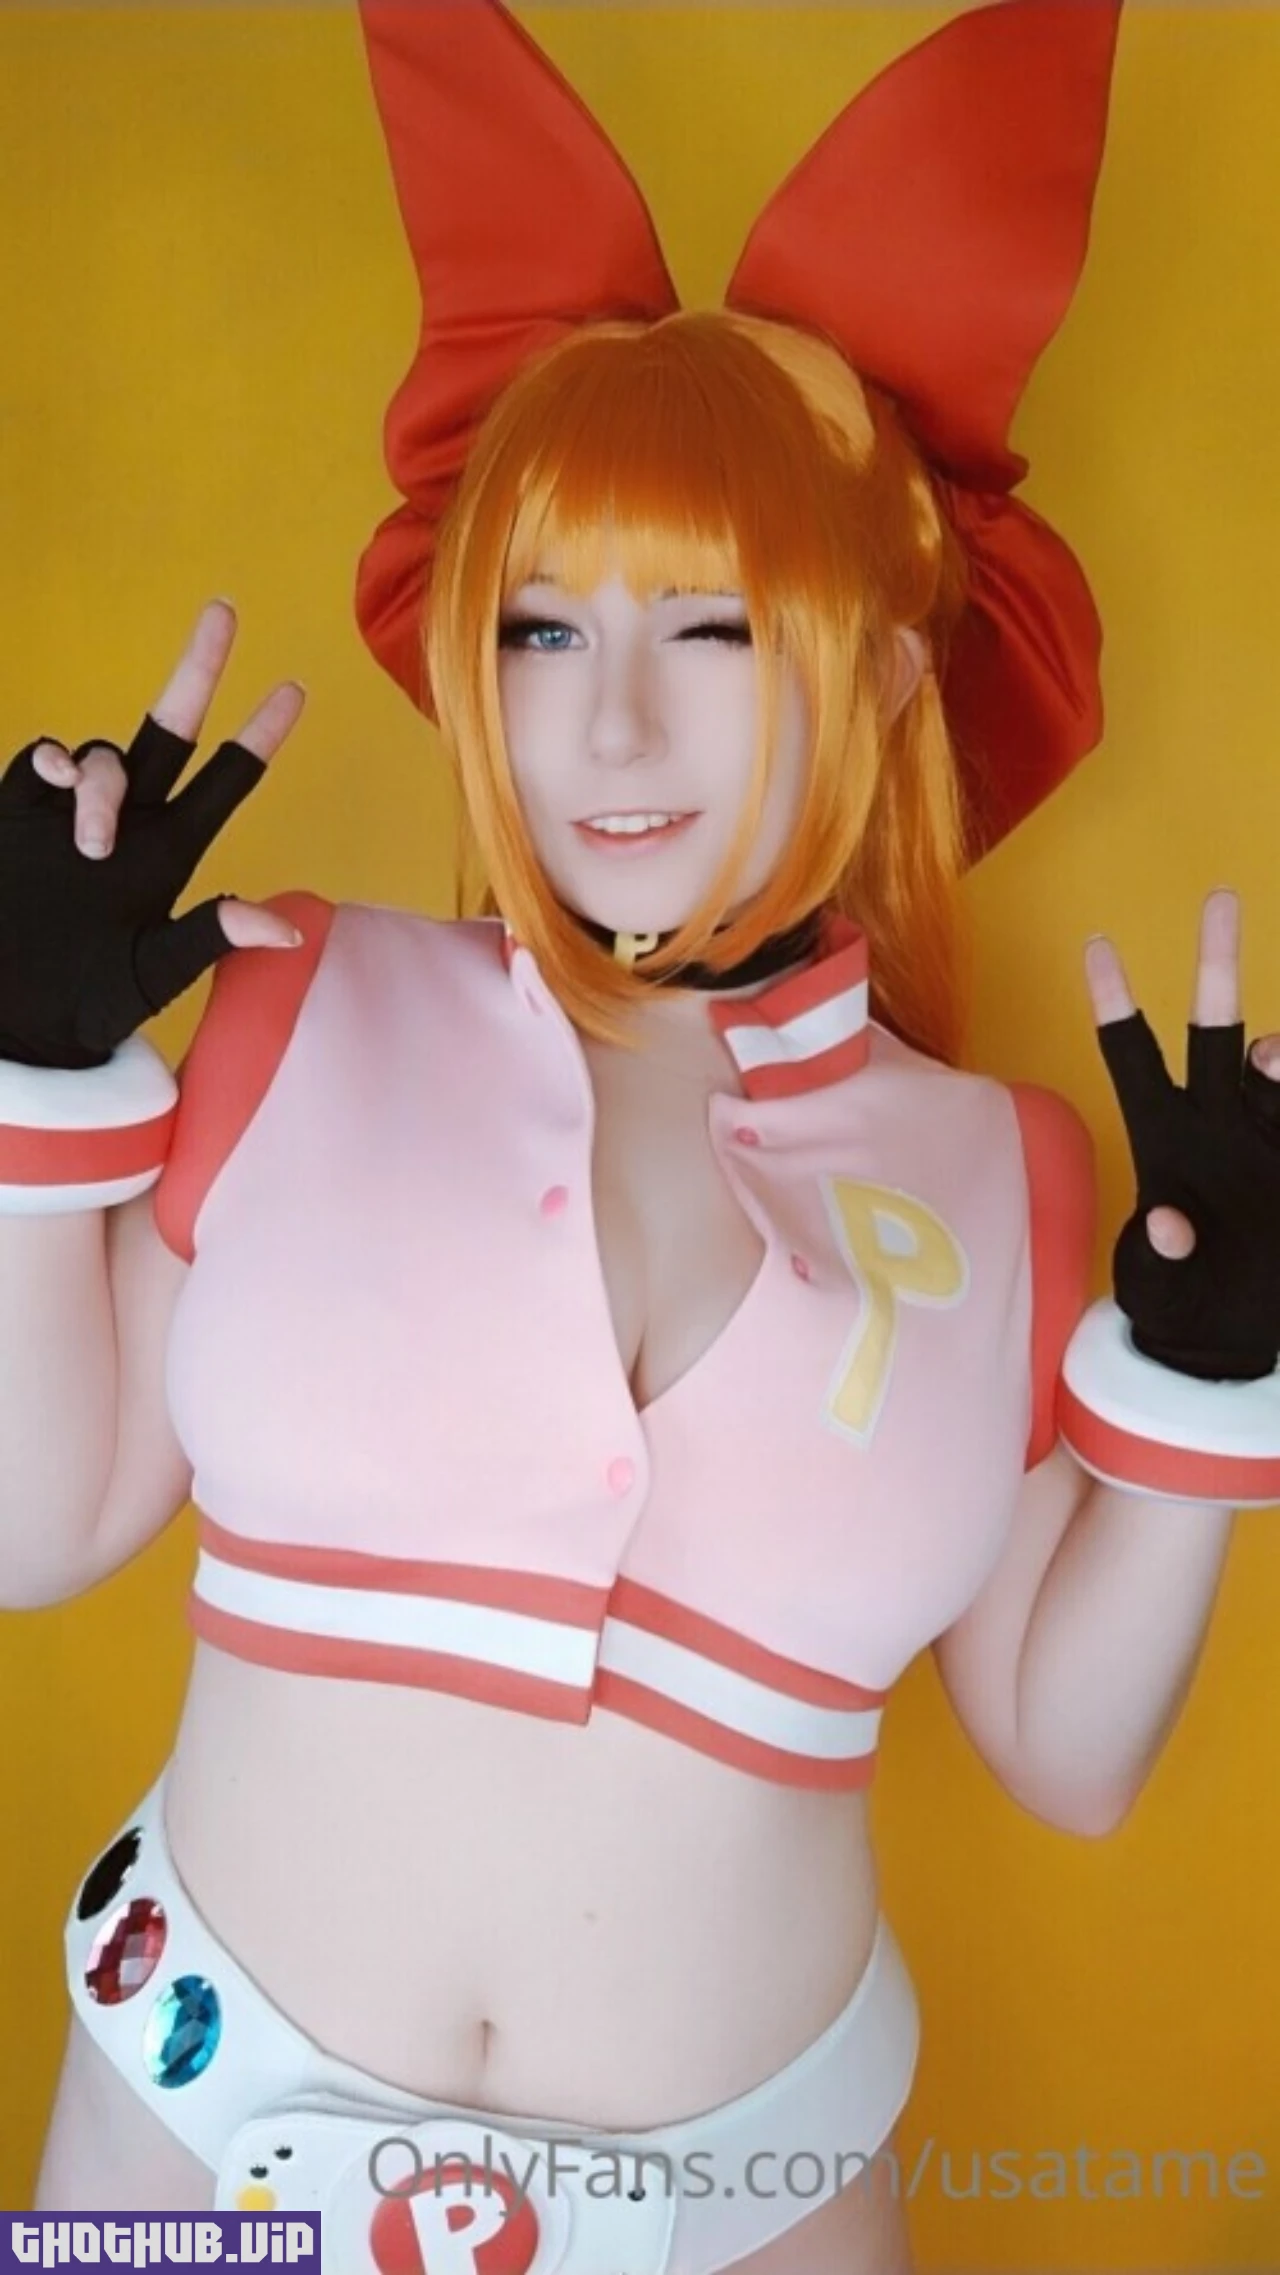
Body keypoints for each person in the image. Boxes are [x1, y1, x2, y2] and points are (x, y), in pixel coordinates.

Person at [3, 3, 1279, 2270]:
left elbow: (1069, 1758)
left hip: (760, 2204)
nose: (606, 725)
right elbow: (34, 1526)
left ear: (888, 667)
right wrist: (31, 1080)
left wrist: (1214, 1374)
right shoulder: (298, 997)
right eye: (537, 625)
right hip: (185, 2140)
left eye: (711, 626)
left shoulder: (999, 1169)